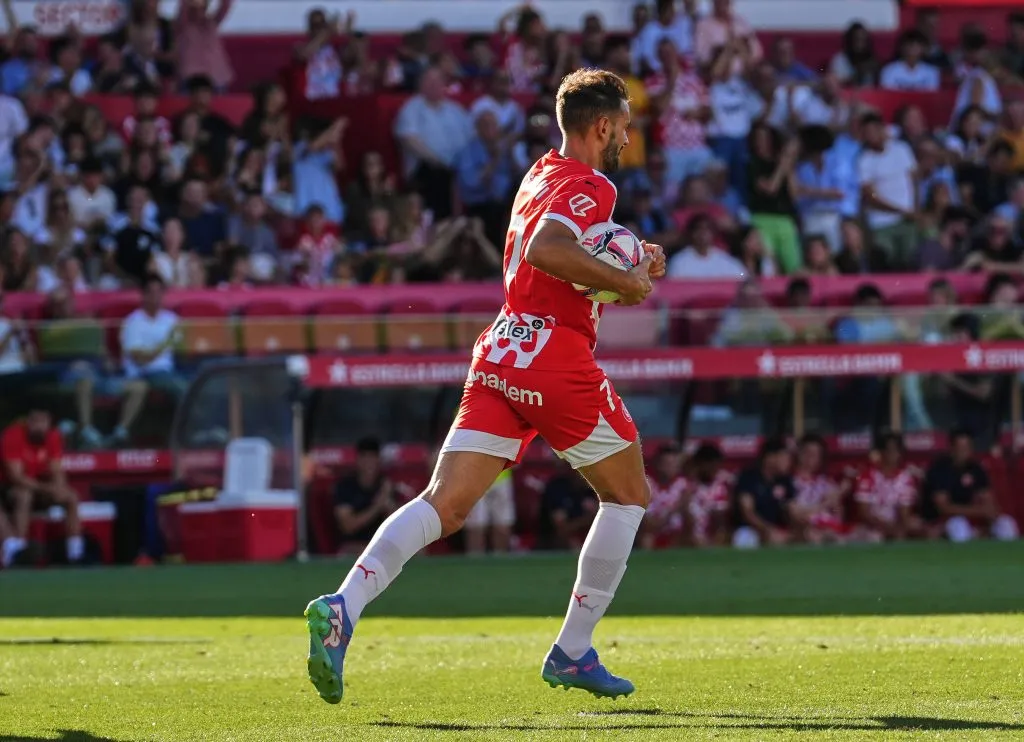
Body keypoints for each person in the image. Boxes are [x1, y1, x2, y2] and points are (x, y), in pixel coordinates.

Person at [304, 68, 666, 704]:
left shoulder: (539, 173)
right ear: (602, 125)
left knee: (443, 504)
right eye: (625, 127)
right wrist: (627, 282)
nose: (627, 138)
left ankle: (344, 605)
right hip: (553, 352)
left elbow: (554, 247)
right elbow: (546, 249)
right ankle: (575, 650)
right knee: (628, 494)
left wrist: (631, 262)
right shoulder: (592, 185)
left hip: (501, 348)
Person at [1, 407, 83, 566]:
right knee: (23, 495)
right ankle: (17, 551)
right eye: (35, 421)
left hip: (37, 486)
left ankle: (76, 554)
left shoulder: (53, 436)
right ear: (28, 422)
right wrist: (48, 488)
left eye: (43, 421)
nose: (39, 426)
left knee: (71, 496)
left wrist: (59, 487)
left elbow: (57, 470)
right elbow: (16, 477)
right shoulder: (13, 435)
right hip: (7, 487)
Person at [920, 429, 1018, 543]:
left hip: (974, 519)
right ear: (951, 448)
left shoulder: (976, 469)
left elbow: (987, 499)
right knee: (959, 526)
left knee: (1006, 523)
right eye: (960, 448)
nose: (964, 452)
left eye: (967, 448)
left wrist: (990, 515)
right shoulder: (939, 469)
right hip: (944, 521)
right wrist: (979, 511)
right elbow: (943, 507)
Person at [851, 432, 923, 543]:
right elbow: (863, 513)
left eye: (897, 450)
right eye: (889, 450)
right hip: (870, 526)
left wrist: (898, 528)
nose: (893, 454)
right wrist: (886, 527)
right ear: (881, 452)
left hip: (895, 525)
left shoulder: (906, 479)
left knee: (915, 528)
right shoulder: (867, 475)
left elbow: (904, 513)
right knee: (874, 537)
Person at [333, 437, 396, 554]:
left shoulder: (384, 484)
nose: (369, 463)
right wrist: (377, 506)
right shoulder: (345, 486)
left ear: (379, 460)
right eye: (365, 457)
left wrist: (390, 508)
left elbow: (397, 527)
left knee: (417, 551)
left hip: (381, 544)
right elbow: (348, 526)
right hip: (354, 545)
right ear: (358, 459)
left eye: (373, 457)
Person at [731, 437, 798, 548]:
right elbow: (748, 513)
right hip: (751, 530)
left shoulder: (785, 480)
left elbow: (793, 511)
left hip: (779, 530)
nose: (788, 461)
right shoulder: (749, 477)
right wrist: (768, 530)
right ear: (770, 458)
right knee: (745, 539)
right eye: (784, 457)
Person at [640, 442, 687, 549]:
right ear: (658, 464)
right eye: (667, 464)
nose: (672, 468)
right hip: (655, 532)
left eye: (675, 464)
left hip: (677, 535)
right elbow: (648, 524)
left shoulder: (683, 486)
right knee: (647, 537)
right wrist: (673, 510)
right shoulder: (648, 485)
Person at [463, 468, 515, 554]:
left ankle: (501, 562)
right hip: (474, 478)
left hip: (501, 479)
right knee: (475, 527)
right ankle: (475, 562)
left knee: (502, 527)